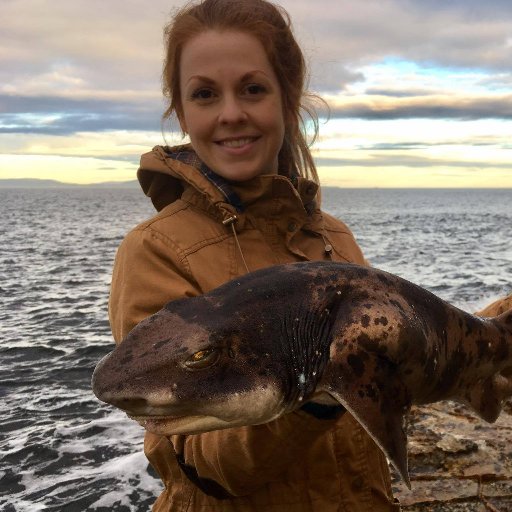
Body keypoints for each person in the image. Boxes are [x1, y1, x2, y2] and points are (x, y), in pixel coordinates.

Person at [108, 0, 509, 509]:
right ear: (182, 111)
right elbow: (202, 466)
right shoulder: (155, 251)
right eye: (205, 94)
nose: (231, 113)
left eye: (253, 89)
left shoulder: (332, 237)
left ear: (286, 98)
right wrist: (316, 396)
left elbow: (393, 388)